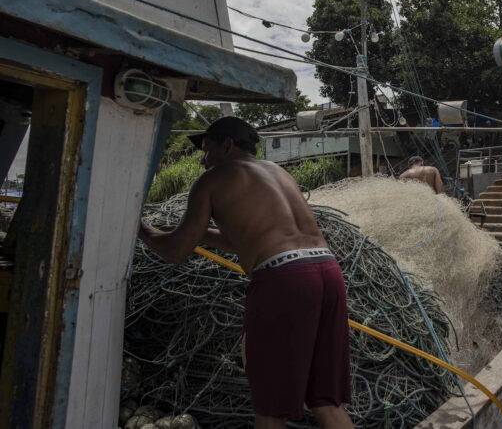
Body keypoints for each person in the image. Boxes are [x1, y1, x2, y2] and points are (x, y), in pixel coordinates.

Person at [138, 116, 353, 429]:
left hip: (284, 281)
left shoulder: (213, 179)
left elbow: (176, 251)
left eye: (207, 150)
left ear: (227, 145)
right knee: (324, 400)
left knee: (270, 405)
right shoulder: (278, 172)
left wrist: (141, 229)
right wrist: (202, 234)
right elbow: (250, 239)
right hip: (326, 270)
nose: (203, 160)